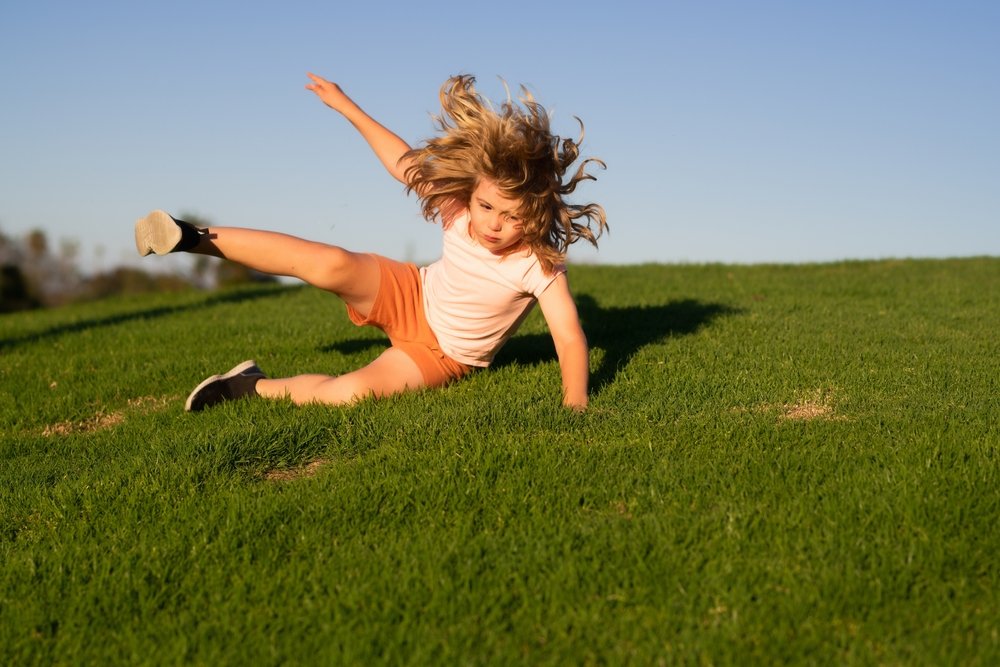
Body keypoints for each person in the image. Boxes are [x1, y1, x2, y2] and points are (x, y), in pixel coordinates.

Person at [134, 72, 607, 412]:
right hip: (412, 293)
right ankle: (189, 236)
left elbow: (568, 337)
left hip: (441, 355)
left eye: (512, 217)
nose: (494, 225)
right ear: (474, 193)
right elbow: (402, 161)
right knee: (329, 262)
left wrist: (575, 403)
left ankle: (250, 387)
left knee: (349, 396)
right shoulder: (461, 208)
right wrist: (345, 106)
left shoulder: (537, 264)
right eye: (487, 208)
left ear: (538, 214)